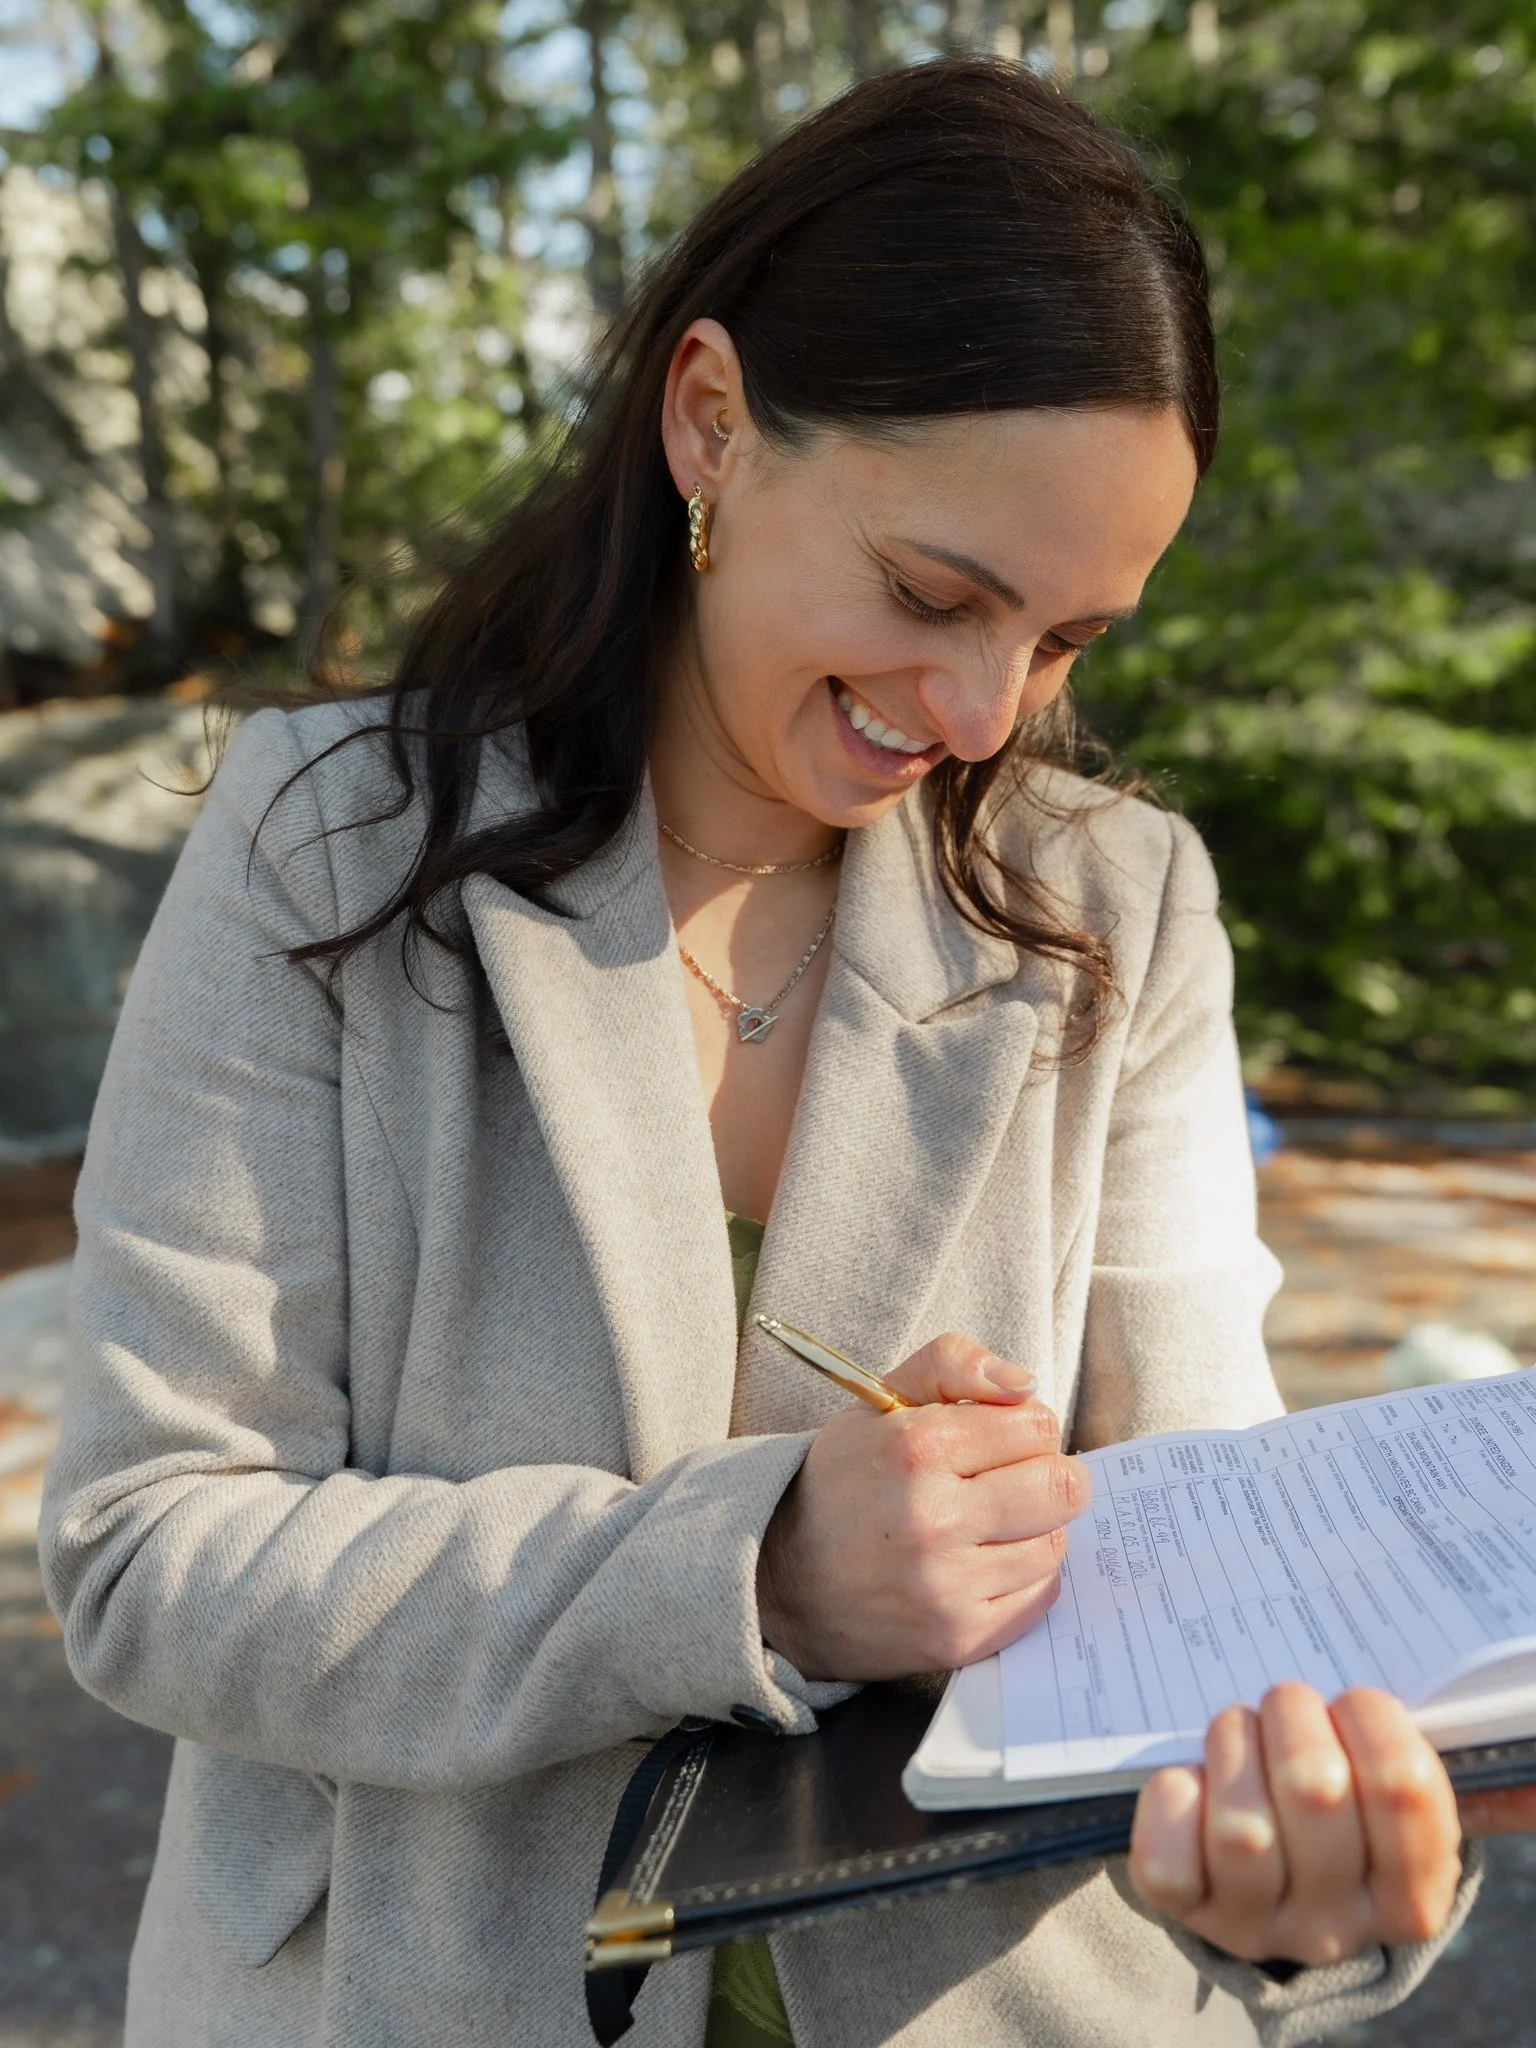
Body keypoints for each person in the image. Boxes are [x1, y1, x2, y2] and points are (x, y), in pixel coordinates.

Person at [39, 56, 1526, 2048]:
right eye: (933, 593)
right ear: (712, 423)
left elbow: (1213, 1544)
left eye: (1070, 640)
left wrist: (1305, 1872)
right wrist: (758, 1571)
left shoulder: (1119, 904)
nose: (986, 711)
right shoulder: (331, 851)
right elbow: (149, 1549)